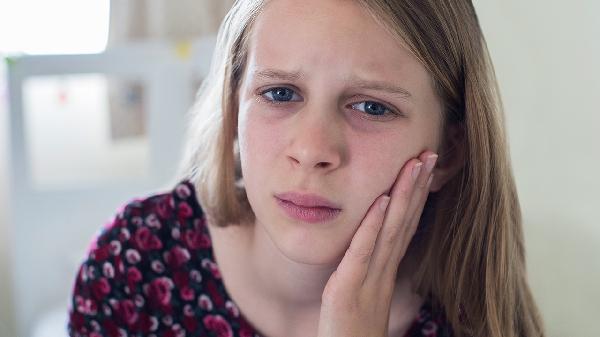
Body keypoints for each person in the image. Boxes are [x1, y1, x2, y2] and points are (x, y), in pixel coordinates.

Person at [68, 0, 546, 336]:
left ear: (451, 150)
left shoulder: (471, 319)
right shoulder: (133, 268)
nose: (313, 149)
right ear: (235, 110)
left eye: (372, 108)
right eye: (280, 94)